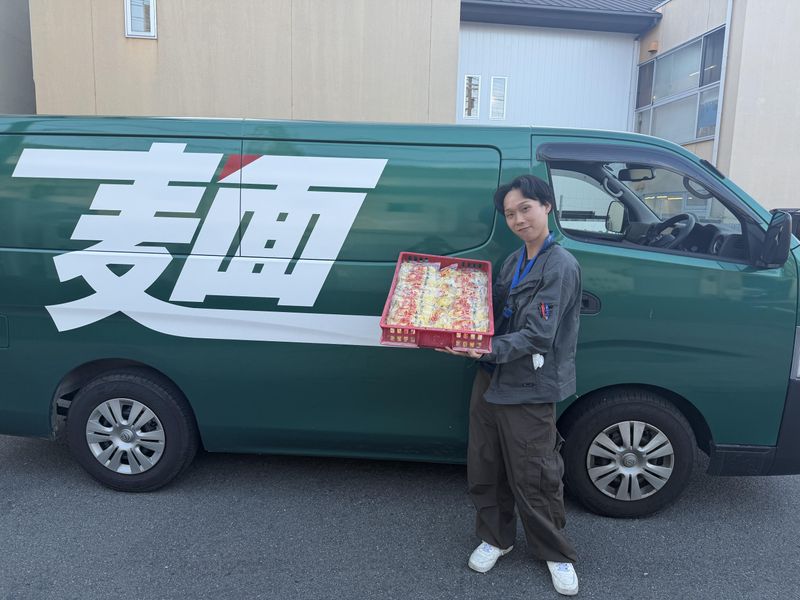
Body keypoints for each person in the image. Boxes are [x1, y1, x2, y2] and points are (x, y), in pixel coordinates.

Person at [438, 174, 582, 596]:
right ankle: (496, 538)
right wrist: (454, 320)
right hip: (490, 377)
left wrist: (481, 349)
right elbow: (490, 315)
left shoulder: (560, 265)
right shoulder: (511, 261)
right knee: (485, 464)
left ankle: (555, 552)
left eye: (526, 209)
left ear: (547, 207)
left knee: (535, 473)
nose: (519, 219)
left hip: (528, 384)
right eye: (510, 213)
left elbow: (539, 335)